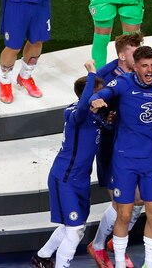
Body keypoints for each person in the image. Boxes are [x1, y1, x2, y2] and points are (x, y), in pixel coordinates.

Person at [89, 46, 152, 268]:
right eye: (145, 66)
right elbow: (104, 93)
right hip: (124, 160)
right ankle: (120, 264)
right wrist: (97, 99)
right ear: (135, 67)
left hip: (151, 161)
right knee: (124, 213)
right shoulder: (123, 83)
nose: (150, 70)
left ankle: (149, 265)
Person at [33, 62, 104, 268]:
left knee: (72, 226)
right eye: (99, 93)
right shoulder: (74, 114)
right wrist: (92, 75)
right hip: (65, 178)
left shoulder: (94, 116)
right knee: (74, 231)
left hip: (81, 179)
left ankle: (42, 257)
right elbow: (82, 107)